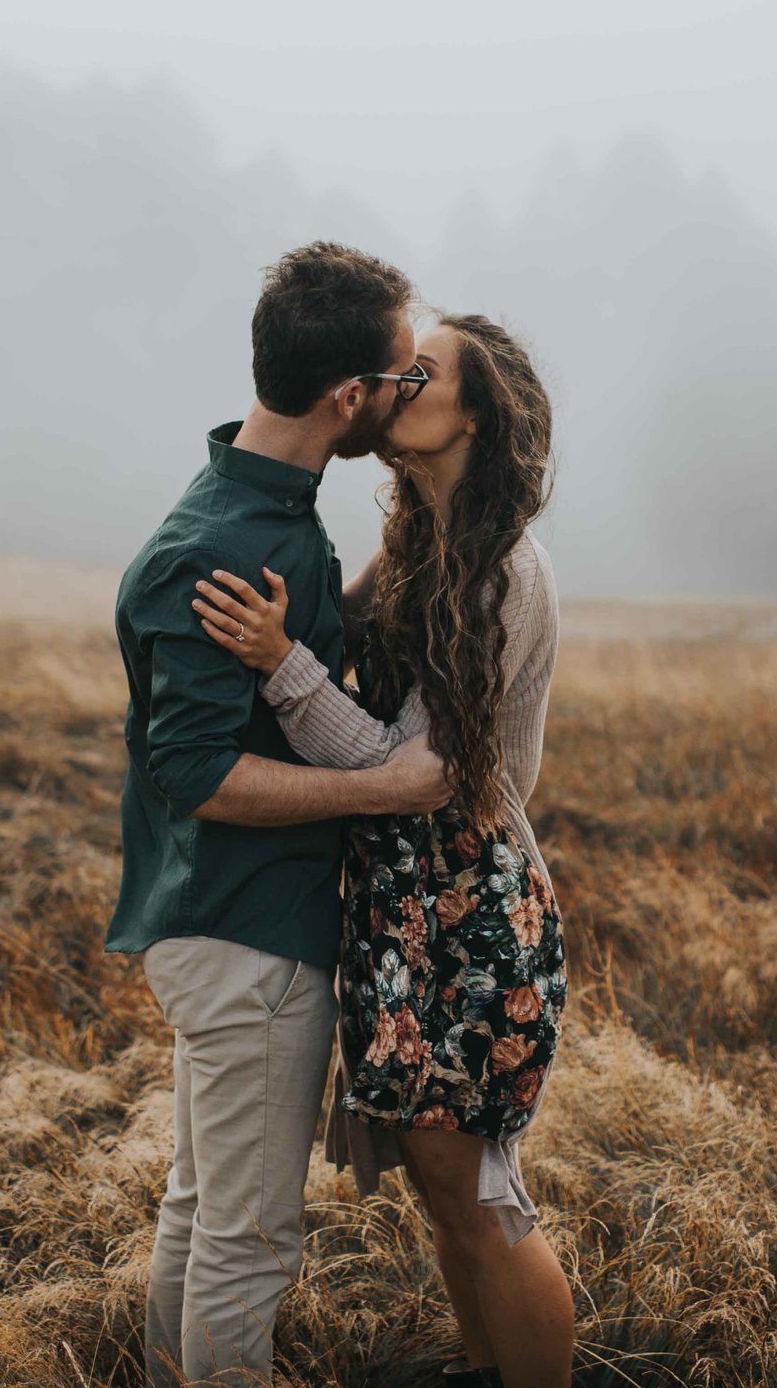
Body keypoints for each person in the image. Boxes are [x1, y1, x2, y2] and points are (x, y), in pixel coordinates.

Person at [189, 312, 574, 1388]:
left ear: (477, 411)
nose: (396, 383)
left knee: (483, 1195)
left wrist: (280, 668)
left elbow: (419, 770)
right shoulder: (421, 541)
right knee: (444, 1190)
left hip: (472, 907)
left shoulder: (505, 570)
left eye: (422, 372)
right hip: (405, 905)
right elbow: (339, 645)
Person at [106, 240, 454, 1388]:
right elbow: (196, 770)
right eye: (402, 375)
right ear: (348, 396)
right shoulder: (221, 548)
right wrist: (379, 786)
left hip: (229, 922)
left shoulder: (267, 516)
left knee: (202, 1207)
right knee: (248, 1243)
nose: (409, 393)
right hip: (243, 929)